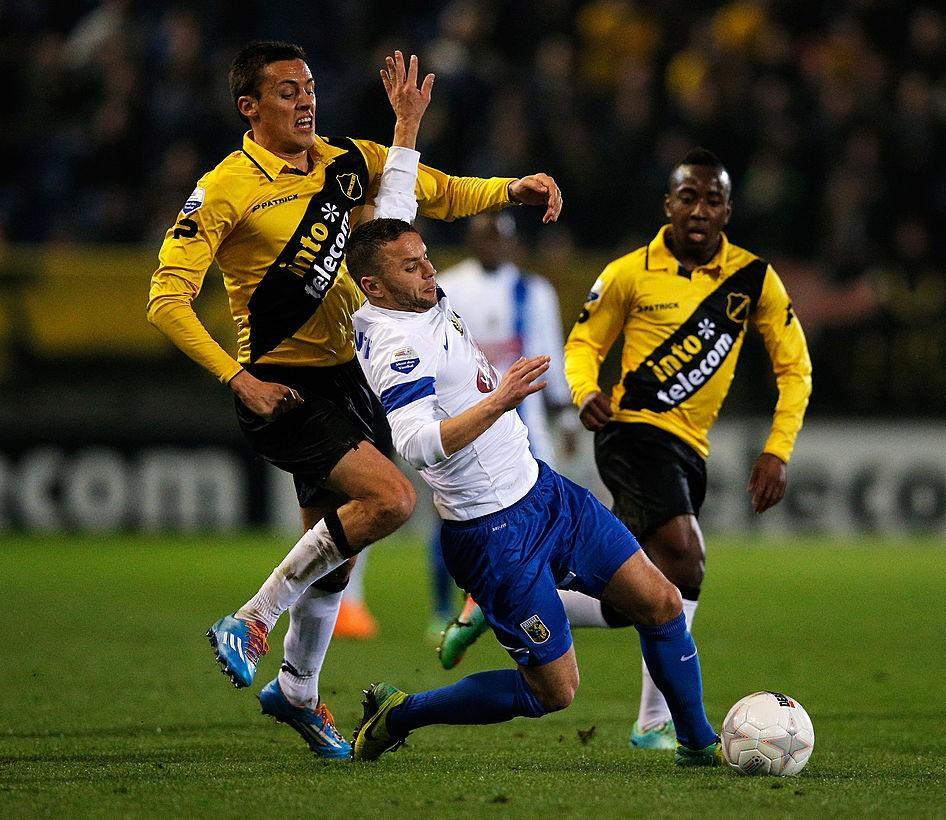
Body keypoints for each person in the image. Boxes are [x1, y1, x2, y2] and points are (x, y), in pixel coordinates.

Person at [147, 40, 562, 760]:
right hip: (281, 382)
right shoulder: (224, 188)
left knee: (336, 551)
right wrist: (238, 379)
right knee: (394, 501)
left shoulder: (347, 160)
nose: (305, 100)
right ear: (249, 107)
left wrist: (509, 191)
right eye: (285, 91)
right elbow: (166, 299)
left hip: (350, 376)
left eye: (308, 87)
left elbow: (431, 189)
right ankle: (251, 617)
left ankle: (298, 692)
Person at [342, 217, 724, 768]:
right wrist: (502, 398)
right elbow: (416, 444)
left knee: (663, 601)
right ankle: (399, 715)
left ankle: (697, 743)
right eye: (411, 266)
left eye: (425, 257)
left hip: (546, 495)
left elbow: (394, 209)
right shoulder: (397, 345)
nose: (430, 270)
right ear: (374, 287)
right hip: (492, 536)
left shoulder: (418, 299)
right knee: (555, 692)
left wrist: (409, 131)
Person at [564, 148, 813, 748]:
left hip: (689, 450)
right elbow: (583, 342)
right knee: (686, 554)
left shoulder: (754, 279)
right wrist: (583, 390)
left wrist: (777, 449)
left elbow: (795, 368)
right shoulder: (628, 272)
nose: (700, 210)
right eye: (688, 197)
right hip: (631, 432)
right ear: (668, 205)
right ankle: (660, 723)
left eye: (713, 199)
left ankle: (520, 597)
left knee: (642, 595)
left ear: (727, 209)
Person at [420, 213, 576, 639]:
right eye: (484, 236)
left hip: (527, 428)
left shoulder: (533, 291)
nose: (492, 245)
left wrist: (565, 418)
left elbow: (551, 358)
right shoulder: (448, 288)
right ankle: (442, 609)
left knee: (538, 521)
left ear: (512, 242)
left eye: (500, 237)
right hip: (466, 424)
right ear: (471, 240)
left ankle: (519, 609)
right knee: (455, 517)